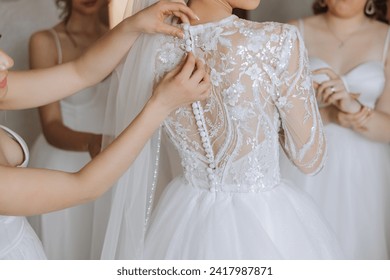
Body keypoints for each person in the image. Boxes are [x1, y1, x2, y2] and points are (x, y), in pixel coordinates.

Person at [100, 0, 344, 260]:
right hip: (265, 216)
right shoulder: (278, 40)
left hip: (185, 217)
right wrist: (288, 101)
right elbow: (310, 159)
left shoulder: (150, 51)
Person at [0, 1, 209, 260]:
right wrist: (161, 104)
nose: (6, 60)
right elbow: (84, 186)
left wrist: (133, 24)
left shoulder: (4, 91)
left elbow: (80, 72)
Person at [282, 0, 390, 259]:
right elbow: (274, 119)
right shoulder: (290, 33)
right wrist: (329, 114)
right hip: (306, 160)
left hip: (368, 168)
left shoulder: (387, 38)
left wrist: (353, 109)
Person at [27, 0, 110, 260]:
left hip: (111, 161)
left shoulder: (122, 37)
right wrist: (94, 143)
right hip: (63, 162)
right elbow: (51, 126)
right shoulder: (45, 41)